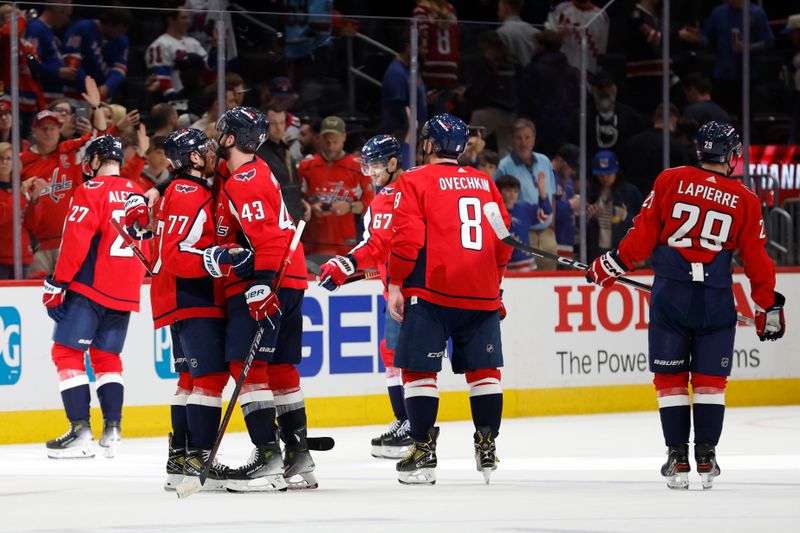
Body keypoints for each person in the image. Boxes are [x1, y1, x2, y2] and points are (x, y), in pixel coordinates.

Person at [586, 122, 786, 490]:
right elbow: (757, 260)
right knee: (711, 383)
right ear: (729, 156)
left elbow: (642, 234)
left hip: (670, 296)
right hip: (716, 299)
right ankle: (707, 457)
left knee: (670, 382)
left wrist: (609, 266)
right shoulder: (745, 198)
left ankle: (678, 457)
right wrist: (767, 306)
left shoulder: (670, 180)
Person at [386, 114, 512, 485]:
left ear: (427, 145)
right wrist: (496, 284)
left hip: (432, 292)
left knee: (419, 372)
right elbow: (504, 241)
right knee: (484, 373)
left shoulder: (413, 180)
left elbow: (407, 240)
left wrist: (395, 284)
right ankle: (487, 445)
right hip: (482, 293)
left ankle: (423, 450)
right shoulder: (485, 181)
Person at [131, 128, 252, 490]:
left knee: (189, 381)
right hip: (191, 295)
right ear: (195, 158)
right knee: (210, 380)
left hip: (180, 296)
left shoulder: (181, 188)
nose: (214, 155)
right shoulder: (188, 192)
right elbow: (175, 254)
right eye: (207, 151)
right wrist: (216, 257)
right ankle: (200, 460)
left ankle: (180, 460)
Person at [214, 106, 316, 490]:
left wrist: (260, 283)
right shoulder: (258, 172)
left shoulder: (245, 180)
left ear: (230, 138)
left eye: (221, 131)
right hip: (291, 279)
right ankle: (299, 456)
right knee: (281, 369)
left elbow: (270, 238)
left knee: (247, 365)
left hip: (268, 279)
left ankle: (268, 458)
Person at [41, 135, 149, 459]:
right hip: (126, 289)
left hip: (91, 286)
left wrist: (58, 282)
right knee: (107, 359)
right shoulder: (138, 192)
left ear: (95, 160)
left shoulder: (89, 190)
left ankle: (80, 431)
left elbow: (76, 240)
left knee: (66, 353)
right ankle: (113, 431)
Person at [317, 135, 412, 459]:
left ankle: (414, 428)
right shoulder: (398, 193)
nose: (369, 172)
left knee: (407, 360)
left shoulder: (396, 196)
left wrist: (348, 263)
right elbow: (384, 253)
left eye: (374, 165)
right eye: (367, 165)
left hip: (410, 293)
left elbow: (379, 246)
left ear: (392, 163)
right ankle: (406, 421)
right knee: (394, 355)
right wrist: (351, 270)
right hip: (401, 289)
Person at [21, 77, 108, 278]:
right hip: (36, 246)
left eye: (53, 127)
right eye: (43, 127)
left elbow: (99, 139)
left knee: (71, 292)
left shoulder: (70, 151)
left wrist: (96, 107)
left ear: (60, 130)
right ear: (33, 130)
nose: (49, 132)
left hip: (68, 241)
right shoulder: (22, 161)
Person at [298, 115, 374, 262]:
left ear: (344, 137)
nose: (331, 145)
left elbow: (370, 204)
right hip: (312, 245)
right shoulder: (306, 165)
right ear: (319, 138)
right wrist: (311, 207)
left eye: (335, 141)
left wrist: (350, 207)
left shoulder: (358, 167)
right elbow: (296, 200)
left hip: (347, 246)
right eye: (327, 141)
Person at [495, 119, 556, 270]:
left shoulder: (544, 161)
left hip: (547, 233)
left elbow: (552, 194)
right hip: (523, 234)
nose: (523, 142)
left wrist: (552, 223)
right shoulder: (503, 166)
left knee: (550, 282)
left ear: (534, 139)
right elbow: (495, 199)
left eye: (527, 137)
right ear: (512, 139)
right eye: (519, 137)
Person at [518, 30, 579, 158]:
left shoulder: (534, 69)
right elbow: (576, 98)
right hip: (565, 125)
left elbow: (525, 99)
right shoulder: (570, 70)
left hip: (541, 125)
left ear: (541, 46)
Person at [567, 71, 644, 164]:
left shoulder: (632, 118)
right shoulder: (580, 118)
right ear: (593, 90)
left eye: (608, 86)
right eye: (600, 87)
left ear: (616, 88)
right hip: (590, 174)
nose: (604, 91)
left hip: (623, 174)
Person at [462, 31, 517, 156]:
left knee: (469, 145)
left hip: (488, 111)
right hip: (510, 113)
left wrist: (464, 95)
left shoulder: (484, 63)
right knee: (506, 151)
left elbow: (478, 87)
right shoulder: (511, 62)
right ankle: (506, 175)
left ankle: (465, 171)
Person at [61, 8, 132, 101]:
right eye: (122, 29)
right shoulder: (82, 28)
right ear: (111, 25)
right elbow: (71, 60)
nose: (123, 33)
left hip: (102, 95)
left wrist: (107, 87)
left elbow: (120, 69)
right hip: (75, 92)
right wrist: (89, 87)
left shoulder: (122, 40)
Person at [256, 103, 310, 225]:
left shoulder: (286, 150)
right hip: (275, 222)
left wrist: (301, 203)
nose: (279, 128)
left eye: (282, 122)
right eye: (274, 123)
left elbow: (289, 187)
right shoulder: (257, 153)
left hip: (292, 220)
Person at [622, 103, 690, 197]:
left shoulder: (632, 143)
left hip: (636, 200)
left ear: (655, 119)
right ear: (674, 121)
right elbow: (684, 180)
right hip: (662, 201)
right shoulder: (676, 147)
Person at [586, 150, 642, 262]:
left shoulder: (630, 192)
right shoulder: (591, 192)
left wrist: (625, 216)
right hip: (596, 253)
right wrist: (588, 217)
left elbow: (644, 225)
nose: (605, 178)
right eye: (601, 175)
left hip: (623, 253)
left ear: (616, 171)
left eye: (608, 174)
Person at [145, 2, 208, 100]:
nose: (188, 21)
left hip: (196, 98)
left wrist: (215, 48)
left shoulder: (194, 43)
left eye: (188, 17)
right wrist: (176, 102)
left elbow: (208, 68)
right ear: (171, 20)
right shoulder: (160, 45)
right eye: (183, 18)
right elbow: (162, 79)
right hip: (173, 101)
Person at [0, 142, 40, 279]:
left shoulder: (21, 190)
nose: (4, 162)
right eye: (1, 158)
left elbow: (32, 224)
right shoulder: (20, 193)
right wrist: (22, 196)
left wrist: (34, 200)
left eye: (9, 158)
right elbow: (2, 215)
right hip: (2, 258)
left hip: (23, 255)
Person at [413, 0, 460, 114]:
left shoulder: (421, 9)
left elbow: (422, 38)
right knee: (442, 107)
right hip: (451, 66)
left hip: (431, 65)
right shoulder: (450, 9)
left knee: (425, 109)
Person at [496, 174, 551, 271]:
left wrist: (542, 194)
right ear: (499, 191)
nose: (512, 194)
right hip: (502, 267)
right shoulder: (493, 212)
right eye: (508, 190)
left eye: (516, 191)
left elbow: (545, 214)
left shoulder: (524, 209)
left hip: (527, 266)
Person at [24, 0, 74, 103]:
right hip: (43, 95)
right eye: (67, 15)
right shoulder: (36, 28)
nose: (67, 20)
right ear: (56, 10)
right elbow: (31, 62)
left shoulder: (48, 30)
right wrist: (58, 72)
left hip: (52, 94)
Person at [545, 0, 608, 75]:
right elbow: (546, 41)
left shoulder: (601, 17)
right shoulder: (559, 10)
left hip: (587, 73)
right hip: (560, 71)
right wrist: (560, 33)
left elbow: (601, 51)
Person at [552, 143, 580, 259]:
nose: (572, 172)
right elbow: (547, 208)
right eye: (570, 166)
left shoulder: (569, 182)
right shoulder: (548, 176)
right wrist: (570, 204)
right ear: (560, 161)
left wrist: (584, 210)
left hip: (567, 239)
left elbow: (574, 209)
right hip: (553, 239)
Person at [497, 0, 539, 67]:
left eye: (499, 8)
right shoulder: (535, 32)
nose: (498, 12)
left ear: (505, 7)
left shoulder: (502, 32)